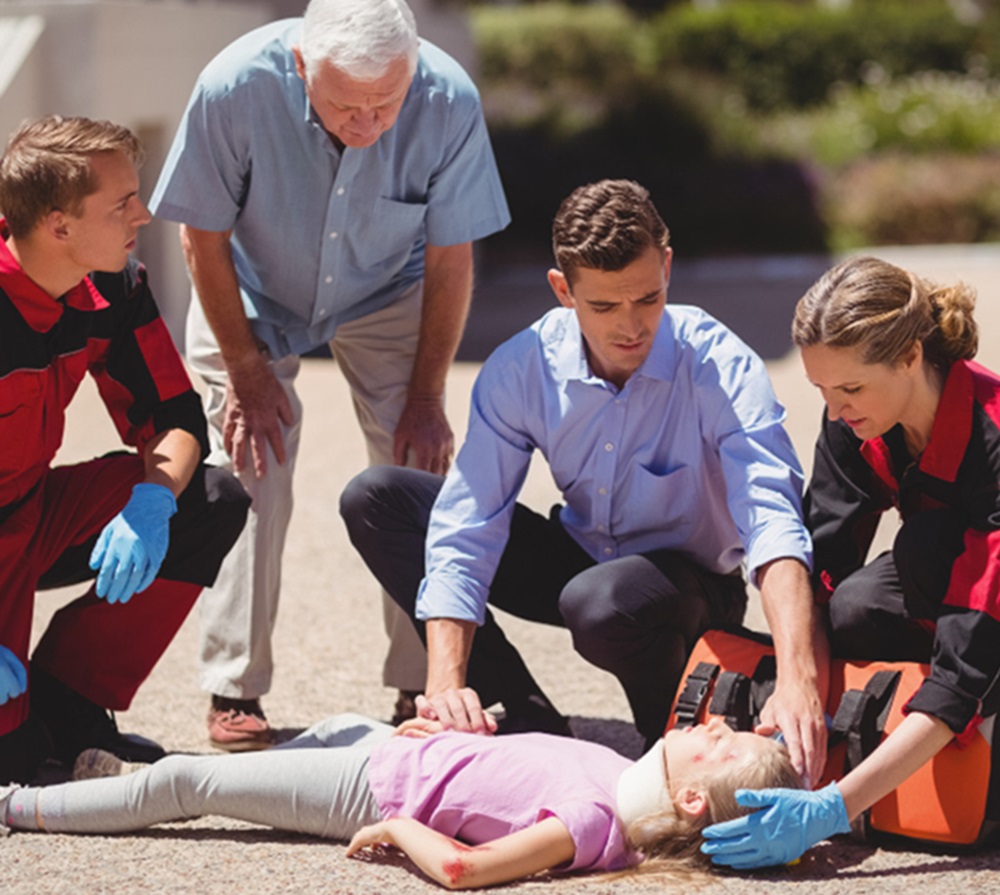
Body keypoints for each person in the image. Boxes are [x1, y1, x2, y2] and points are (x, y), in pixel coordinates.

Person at [342, 179, 829, 786]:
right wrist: (445, 682)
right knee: (377, 498)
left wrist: (798, 677)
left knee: (602, 604)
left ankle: (665, 726)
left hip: (690, 588)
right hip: (583, 562)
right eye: (603, 307)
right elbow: (469, 522)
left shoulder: (719, 364)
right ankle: (517, 712)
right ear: (562, 290)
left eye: (648, 298)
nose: (632, 326)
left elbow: (772, 517)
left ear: (667, 266)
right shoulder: (522, 367)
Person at [148, 0, 510, 751]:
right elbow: (200, 237)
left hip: (391, 286)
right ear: (302, 65)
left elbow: (450, 258)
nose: (369, 123)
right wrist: (244, 367)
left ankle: (422, 679)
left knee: (416, 462)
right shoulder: (234, 86)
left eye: (388, 102)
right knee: (250, 458)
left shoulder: (447, 98)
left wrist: (426, 396)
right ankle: (234, 685)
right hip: (249, 287)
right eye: (348, 106)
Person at [701, 255, 1000, 868]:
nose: (836, 412)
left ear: (910, 355)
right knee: (852, 606)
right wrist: (798, 691)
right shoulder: (855, 420)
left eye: (852, 389)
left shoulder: (991, 440)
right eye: (822, 390)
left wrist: (833, 808)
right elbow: (820, 570)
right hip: (951, 588)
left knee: (924, 548)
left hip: (978, 606)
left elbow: (961, 670)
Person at [0, 115, 250, 785]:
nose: (143, 214)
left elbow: (176, 416)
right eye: (122, 204)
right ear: (59, 226)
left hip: (32, 512)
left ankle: (68, 702)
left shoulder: (113, 286)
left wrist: (152, 499)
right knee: (13, 763)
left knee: (208, 498)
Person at [0, 714, 800, 886]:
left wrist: (396, 823)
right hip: (396, 746)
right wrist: (454, 734)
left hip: (375, 786)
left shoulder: (595, 820)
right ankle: (116, 784)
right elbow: (513, 768)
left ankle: (16, 804)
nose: (716, 723)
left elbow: (462, 868)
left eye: (725, 743)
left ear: (690, 796)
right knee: (307, 736)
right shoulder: (622, 770)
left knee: (188, 783)